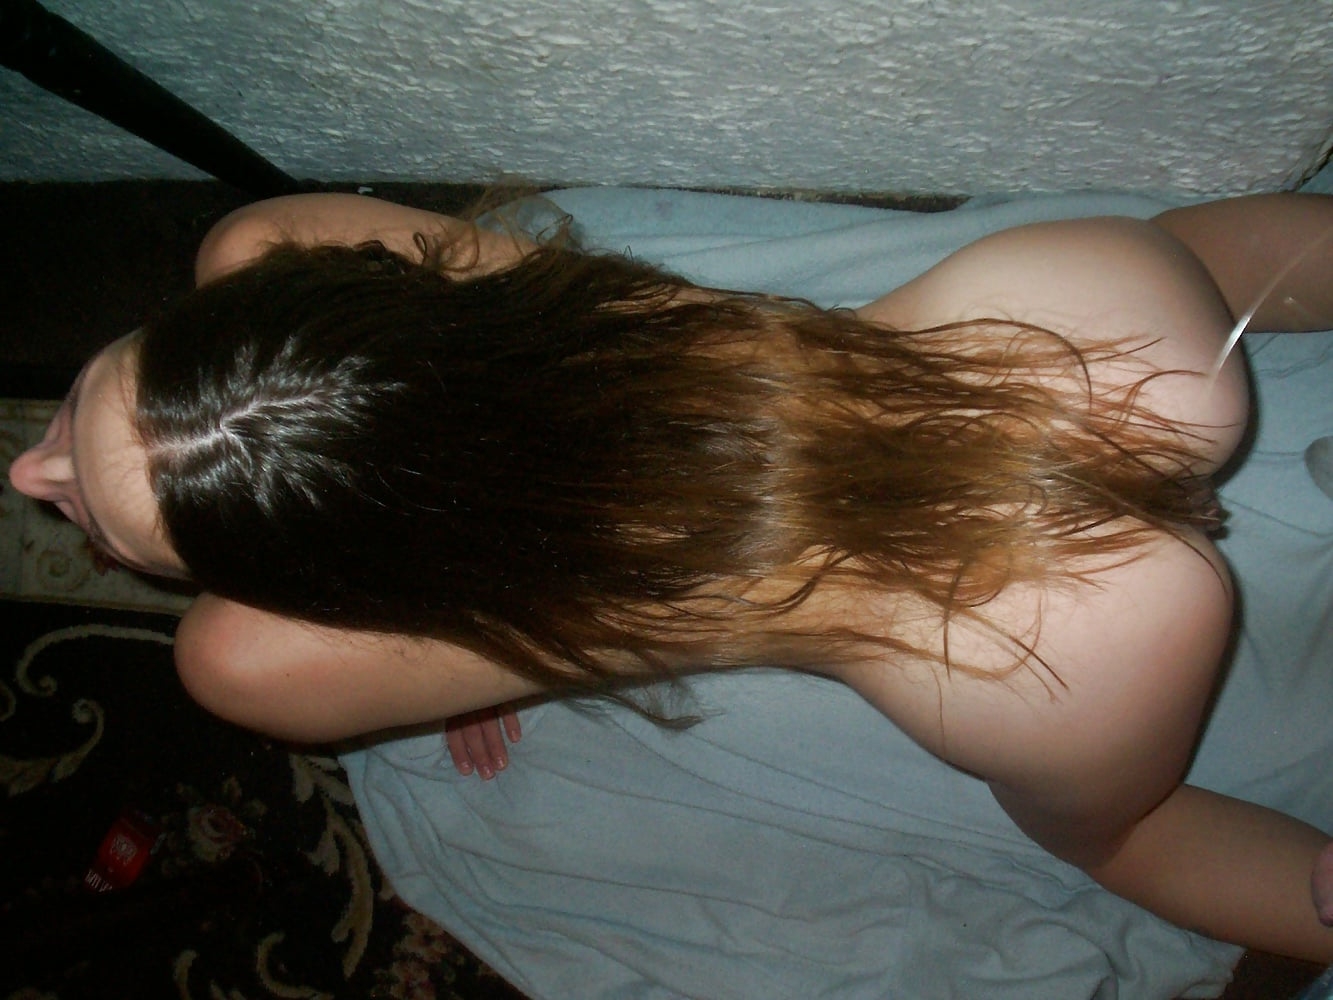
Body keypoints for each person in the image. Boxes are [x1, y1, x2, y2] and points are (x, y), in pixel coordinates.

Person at [8, 189, 1333, 963]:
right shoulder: (275, 246)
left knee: (1120, 837)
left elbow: (291, 640)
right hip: (1090, 325)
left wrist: (466, 645)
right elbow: (302, 280)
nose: (26, 473)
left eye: (69, 426)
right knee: (1195, 261)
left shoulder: (265, 652)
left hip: (1051, 649)